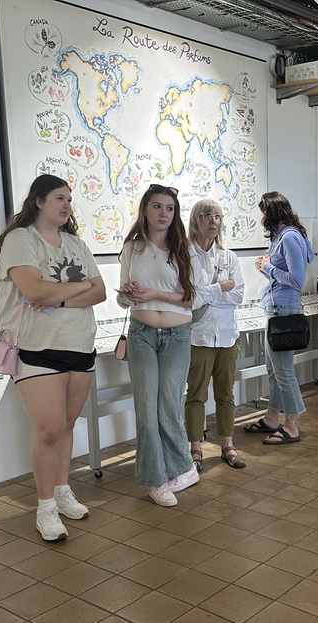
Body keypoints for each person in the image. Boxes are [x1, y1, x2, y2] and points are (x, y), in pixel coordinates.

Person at [0, 174, 106, 541]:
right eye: (59, 197)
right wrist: (77, 288)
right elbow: (34, 290)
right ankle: (45, 508)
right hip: (37, 349)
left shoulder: (77, 243)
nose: (66, 205)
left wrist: (61, 296)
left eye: (69, 198)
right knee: (50, 428)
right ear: (38, 201)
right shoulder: (21, 240)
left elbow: (100, 292)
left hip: (80, 345)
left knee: (68, 426)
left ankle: (61, 490)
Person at [118, 184, 208, 506]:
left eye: (169, 208)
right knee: (145, 409)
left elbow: (192, 298)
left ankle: (182, 467)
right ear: (145, 209)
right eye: (157, 207)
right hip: (141, 333)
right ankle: (156, 480)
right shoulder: (132, 248)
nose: (164, 214)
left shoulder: (186, 248)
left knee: (168, 406)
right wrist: (127, 293)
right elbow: (121, 301)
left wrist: (155, 294)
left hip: (177, 336)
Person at [243, 192, 314, 445]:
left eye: (264, 212)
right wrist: (269, 269)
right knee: (273, 371)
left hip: (284, 312)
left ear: (272, 212)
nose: (262, 217)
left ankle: (291, 426)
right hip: (275, 310)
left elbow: (296, 280)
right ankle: (272, 418)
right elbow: (280, 278)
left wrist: (268, 267)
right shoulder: (282, 237)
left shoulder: (290, 237)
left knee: (284, 373)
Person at [184, 200, 247, 470]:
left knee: (226, 394)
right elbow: (188, 300)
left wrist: (209, 295)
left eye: (218, 216)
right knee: (196, 394)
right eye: (207, 216)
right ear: (196, 220)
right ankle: (195, 447)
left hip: (227, 336)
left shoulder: (229, 256)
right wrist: (219, 289)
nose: (213, 221)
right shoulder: (185, 255)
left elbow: (238, 295)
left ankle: (228, 445)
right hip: (198, 337)